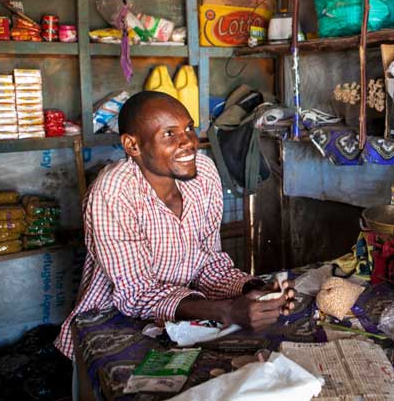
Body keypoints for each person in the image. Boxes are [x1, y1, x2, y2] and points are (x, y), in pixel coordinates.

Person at [55, 91, 293, 359]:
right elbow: (136, 293)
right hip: (109, 325)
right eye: (169, 134)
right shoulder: (113, 191)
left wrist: (252, 291)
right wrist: (227, 311)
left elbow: (208, 265)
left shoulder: (203, 173)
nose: (188, 143)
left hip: (185, 316)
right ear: (132, 146)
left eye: (189, 128)